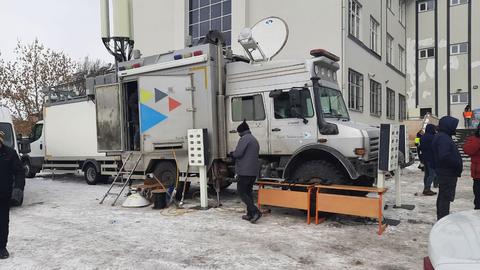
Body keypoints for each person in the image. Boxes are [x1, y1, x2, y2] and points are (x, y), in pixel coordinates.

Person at [230, 120, 262, 223]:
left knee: (242, 192)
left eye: (238, 132)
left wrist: (232, 154)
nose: (238, 134)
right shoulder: (253, 139)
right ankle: (250, 214)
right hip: (252, 172)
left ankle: (255, 211)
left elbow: (238, 153)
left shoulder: (244, 139)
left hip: (244, 171)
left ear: (241, 131)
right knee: (248, 192)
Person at [432, 116, 463, 220]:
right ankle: (442, 220)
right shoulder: (443, 137)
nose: (455, 128)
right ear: (448, 126)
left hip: (446, 172)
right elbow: (444, 156)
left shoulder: (443, 136)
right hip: (447, 173)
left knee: (443, 197)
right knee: (445, 198)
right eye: (453, 126)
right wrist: (456, 164)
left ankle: (442, 218)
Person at [0, 131, 25, 259]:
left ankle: (2, 248)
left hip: (3, 196)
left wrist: (17, 191)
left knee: (3, 223)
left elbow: (19, 173)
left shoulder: (10, 153)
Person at [462, 125, 480, 210]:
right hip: (478, 177)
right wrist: (478, 140)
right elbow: (467, 150)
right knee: (478, 202)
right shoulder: (474, 139)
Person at [419, 124, 437, 196]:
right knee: (432, 174)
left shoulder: (423, 137)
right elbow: (434, 147)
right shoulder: (432, 137)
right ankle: (427, 188)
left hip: (424, 158)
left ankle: (425, 188)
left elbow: (419, 147)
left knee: (427, 174)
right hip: (431, 158)